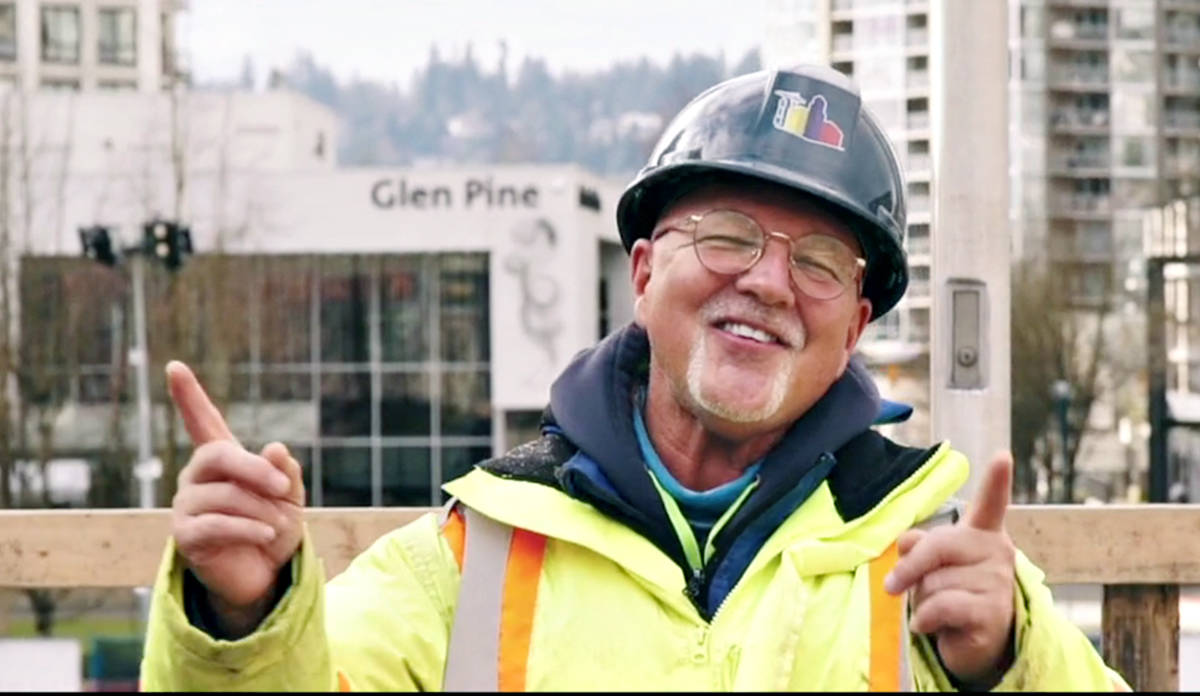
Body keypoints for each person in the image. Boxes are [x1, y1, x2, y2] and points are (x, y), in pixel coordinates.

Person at [140, 64, 1128, 691]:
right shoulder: (469, 560)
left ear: (856, 328)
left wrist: (1013, 665)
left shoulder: (940, 566)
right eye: (728, 235)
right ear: (645, 273)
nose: (768, 281)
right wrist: (244, 621)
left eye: (821, 261)